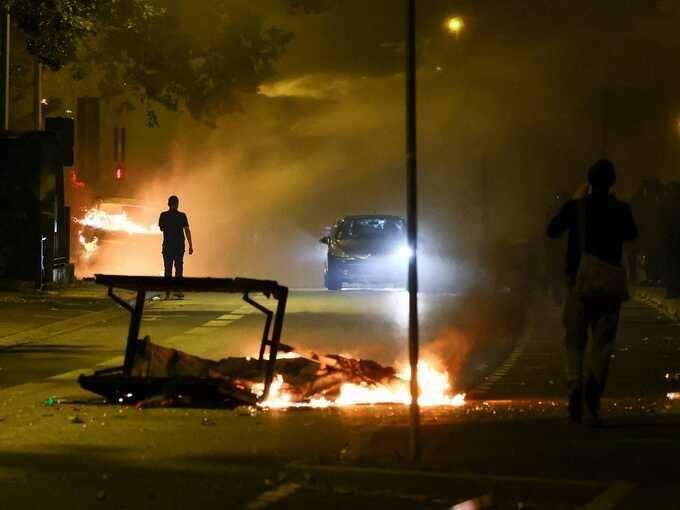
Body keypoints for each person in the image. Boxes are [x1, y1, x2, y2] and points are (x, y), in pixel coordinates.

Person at [547, 159, 637, 425]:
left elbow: (552, 231)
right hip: (608, 284)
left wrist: (576, 201)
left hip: (580, 282)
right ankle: (594, 388)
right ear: (612, 183)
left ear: (588, 181)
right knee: (602, 342)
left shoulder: (576, 208)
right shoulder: (621, 209)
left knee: (574, 340)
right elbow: (632, 234)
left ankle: (574, 383)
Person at [159, 195, 193, 299]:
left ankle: (167, 292)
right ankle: (178, 291)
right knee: (179, 268)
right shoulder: (182, 216)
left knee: (167, 269)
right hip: (179, 246)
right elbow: (187, 230)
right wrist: (190, 245)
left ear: (168, 204)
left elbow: (161, 228)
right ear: (177, 204)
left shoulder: (163, 215)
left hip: (167, 246)